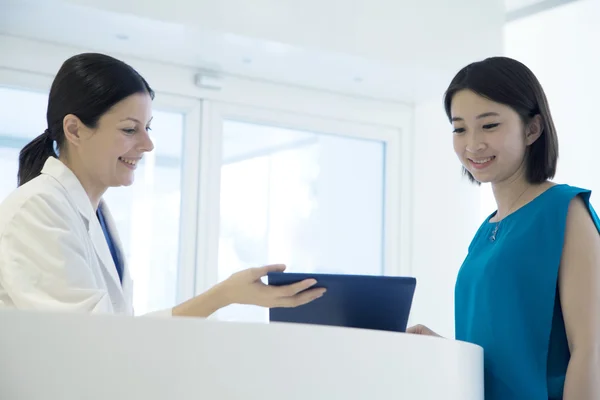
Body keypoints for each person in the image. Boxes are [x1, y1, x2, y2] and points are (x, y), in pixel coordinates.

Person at [0, 52, 326, 317]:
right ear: (75, 130)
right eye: (130, 130)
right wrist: (221, 296)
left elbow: (121, 335)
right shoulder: (37, 210)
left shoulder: (96, 215)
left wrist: (225, 295)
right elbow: (91, 343)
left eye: (147, 129)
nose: (147, 145)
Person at [407, 57, 600, 400]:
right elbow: (504, 351)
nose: (472, 144)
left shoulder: (565, 211)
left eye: (490, 125)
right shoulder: (486, 231)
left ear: (532, 129)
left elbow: (591, 350)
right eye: (459, 128)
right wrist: (445, 351)